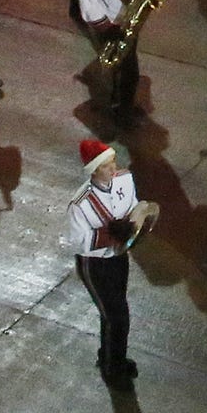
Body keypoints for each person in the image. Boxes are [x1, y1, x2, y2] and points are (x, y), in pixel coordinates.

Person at [69, 139, 146, 382]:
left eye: (112, 162)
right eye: (104, 166)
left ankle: (108, 355)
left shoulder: (125, 179)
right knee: (118, 317)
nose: (112, 169)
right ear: (93, 170)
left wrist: (135, 222)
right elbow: (79, 240)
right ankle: (114, 369)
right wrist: (111, 234)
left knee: (112, 314)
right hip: (95, 265)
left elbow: (133, 205)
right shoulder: (80, 203)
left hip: (119, 257)